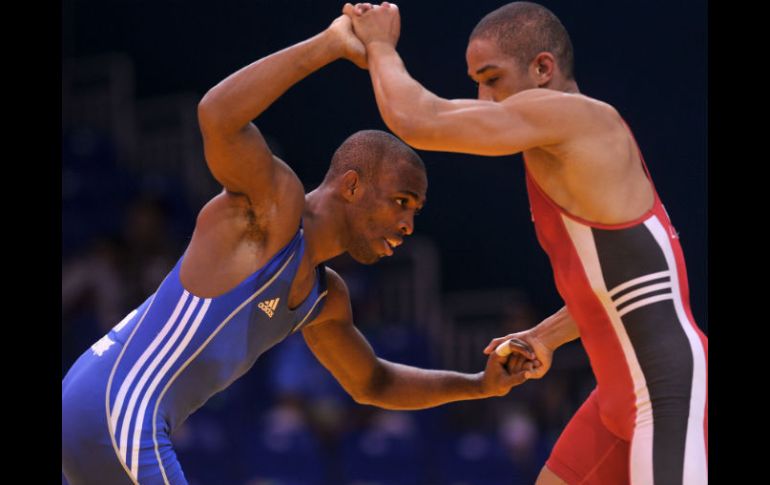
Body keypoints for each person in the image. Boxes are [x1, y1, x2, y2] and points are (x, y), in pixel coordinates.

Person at [61, 13, 536, 485]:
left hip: (105, 406)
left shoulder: (325, 299)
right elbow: (217, 116)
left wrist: (478, 385)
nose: (408, 225)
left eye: (414, 211)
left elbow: (374, 383)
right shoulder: (274, 206)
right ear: (351, 186)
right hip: (119, 405)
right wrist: (330, 44)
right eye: (400, 203)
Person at [344, 2, 707, 483]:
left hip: (665, 392)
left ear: (542, 69)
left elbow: (418, 119)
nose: (484, 98)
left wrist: (380, 45)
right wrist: (544, 336)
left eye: (492, 79)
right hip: (616, 397)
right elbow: (622, 286)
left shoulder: (582, 121)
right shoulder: (563, 153)